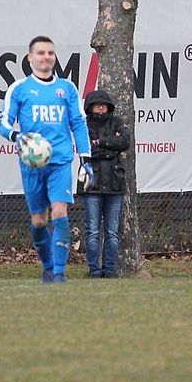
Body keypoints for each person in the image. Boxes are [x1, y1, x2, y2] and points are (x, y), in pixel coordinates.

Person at [0, 36, 92, 283]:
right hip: (32, 163)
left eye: (50, 53)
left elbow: (78, 123)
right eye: (41, 53)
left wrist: (86, 159)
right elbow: (4, 123)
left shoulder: (67, 88)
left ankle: (59, 273)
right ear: (30, 58)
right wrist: (16, 136)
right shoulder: (19, 89)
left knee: (60, 213)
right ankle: (48, 268)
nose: (46, 57)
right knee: (39, 221)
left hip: (60, 160)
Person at [79, 90, 129, 278]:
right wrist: (111, 147)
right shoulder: (84, 125)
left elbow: (124, 141)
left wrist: (101, 142)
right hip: (91, 183)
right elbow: (87, 150)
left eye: (104, 104)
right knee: (92, 231)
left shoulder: (117, 122)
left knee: (112, 232)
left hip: (115, 184)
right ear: (90, 106)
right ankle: (94, 270)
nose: (101, 107)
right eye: (97, 104)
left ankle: (109, 270)